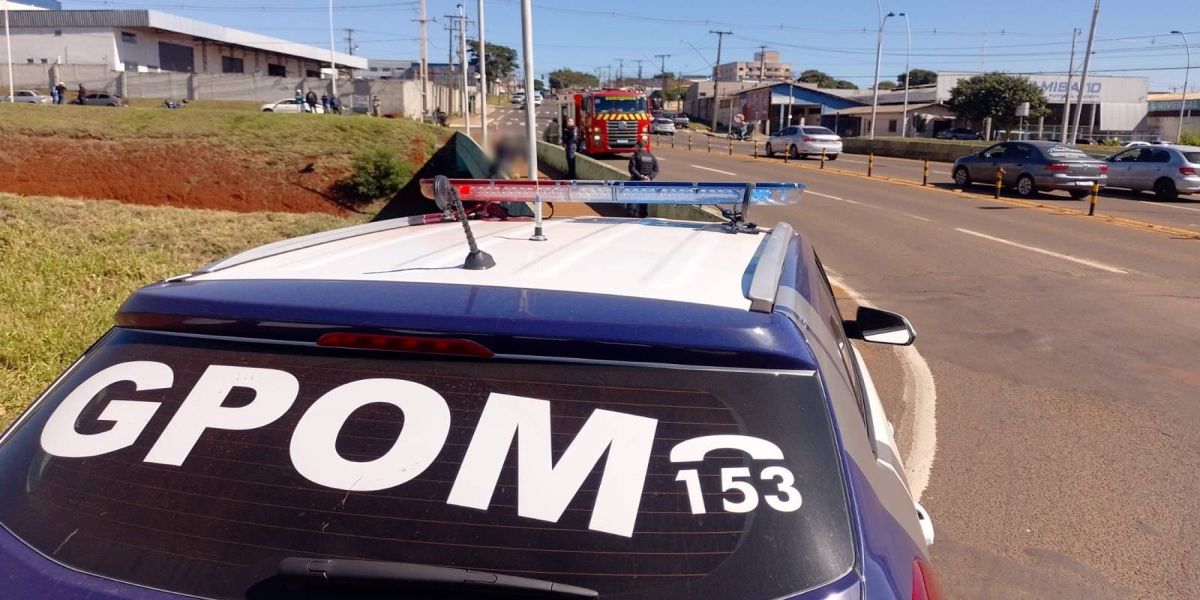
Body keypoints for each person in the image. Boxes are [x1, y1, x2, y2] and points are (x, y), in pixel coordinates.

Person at [626, 139, 659, 218]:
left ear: (638, 146)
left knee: (632, 198)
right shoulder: (651, 156)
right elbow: (656, 170)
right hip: (647, 182)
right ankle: (643, 216)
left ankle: (631, 215)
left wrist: (641, 177)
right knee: (644, 199)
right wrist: (649, 177)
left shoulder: (635, 156)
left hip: (635, 181)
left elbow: (632, 169)